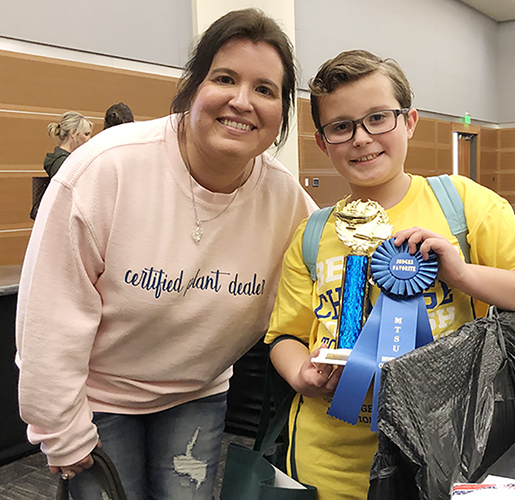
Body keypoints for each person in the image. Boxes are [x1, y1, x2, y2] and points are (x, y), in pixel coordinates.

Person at [16, 8, 316, 500]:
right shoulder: (106, 168)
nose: (242, 101)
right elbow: (48, 314)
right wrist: (59, 429)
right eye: (225, 78)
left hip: (197, 393)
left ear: (281, 110)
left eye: (264, 89)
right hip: (99, 398)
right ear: (193, 87)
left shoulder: (286, 201)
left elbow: (330, 277)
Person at [265, 50, 515, 500]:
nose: (361, 138)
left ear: (409, 121)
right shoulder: (312, 234)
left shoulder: (462, 204)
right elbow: (284, 337)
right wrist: (299, 375)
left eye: (377, 118)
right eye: (342, 126)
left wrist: (463, 273)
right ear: (323, 141)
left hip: (447, 452)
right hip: (328, 463)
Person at [44, 111, 93, 177]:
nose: (89, 139)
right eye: (86, 134)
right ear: (73, 133)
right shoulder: (64, 163)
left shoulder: (61, 160)